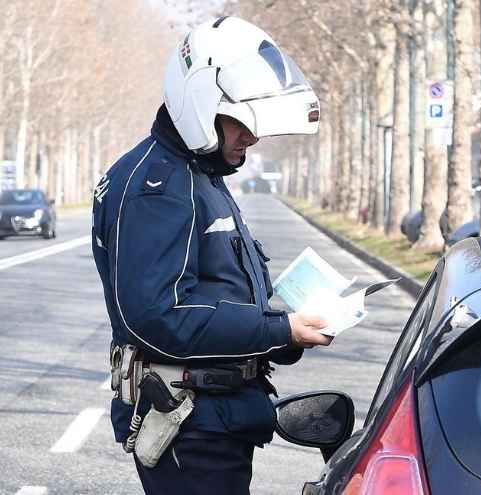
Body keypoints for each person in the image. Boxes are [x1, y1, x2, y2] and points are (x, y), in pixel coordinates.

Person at [91, 16, 331, 495]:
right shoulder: (159, 187)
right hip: (189, 422)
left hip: (215, 417)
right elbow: (159, 317)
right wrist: (278, 329)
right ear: (201, 104)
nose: (252, 137)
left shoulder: (196, 175)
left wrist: (286, 337)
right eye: (242, 122)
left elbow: (216, 292)